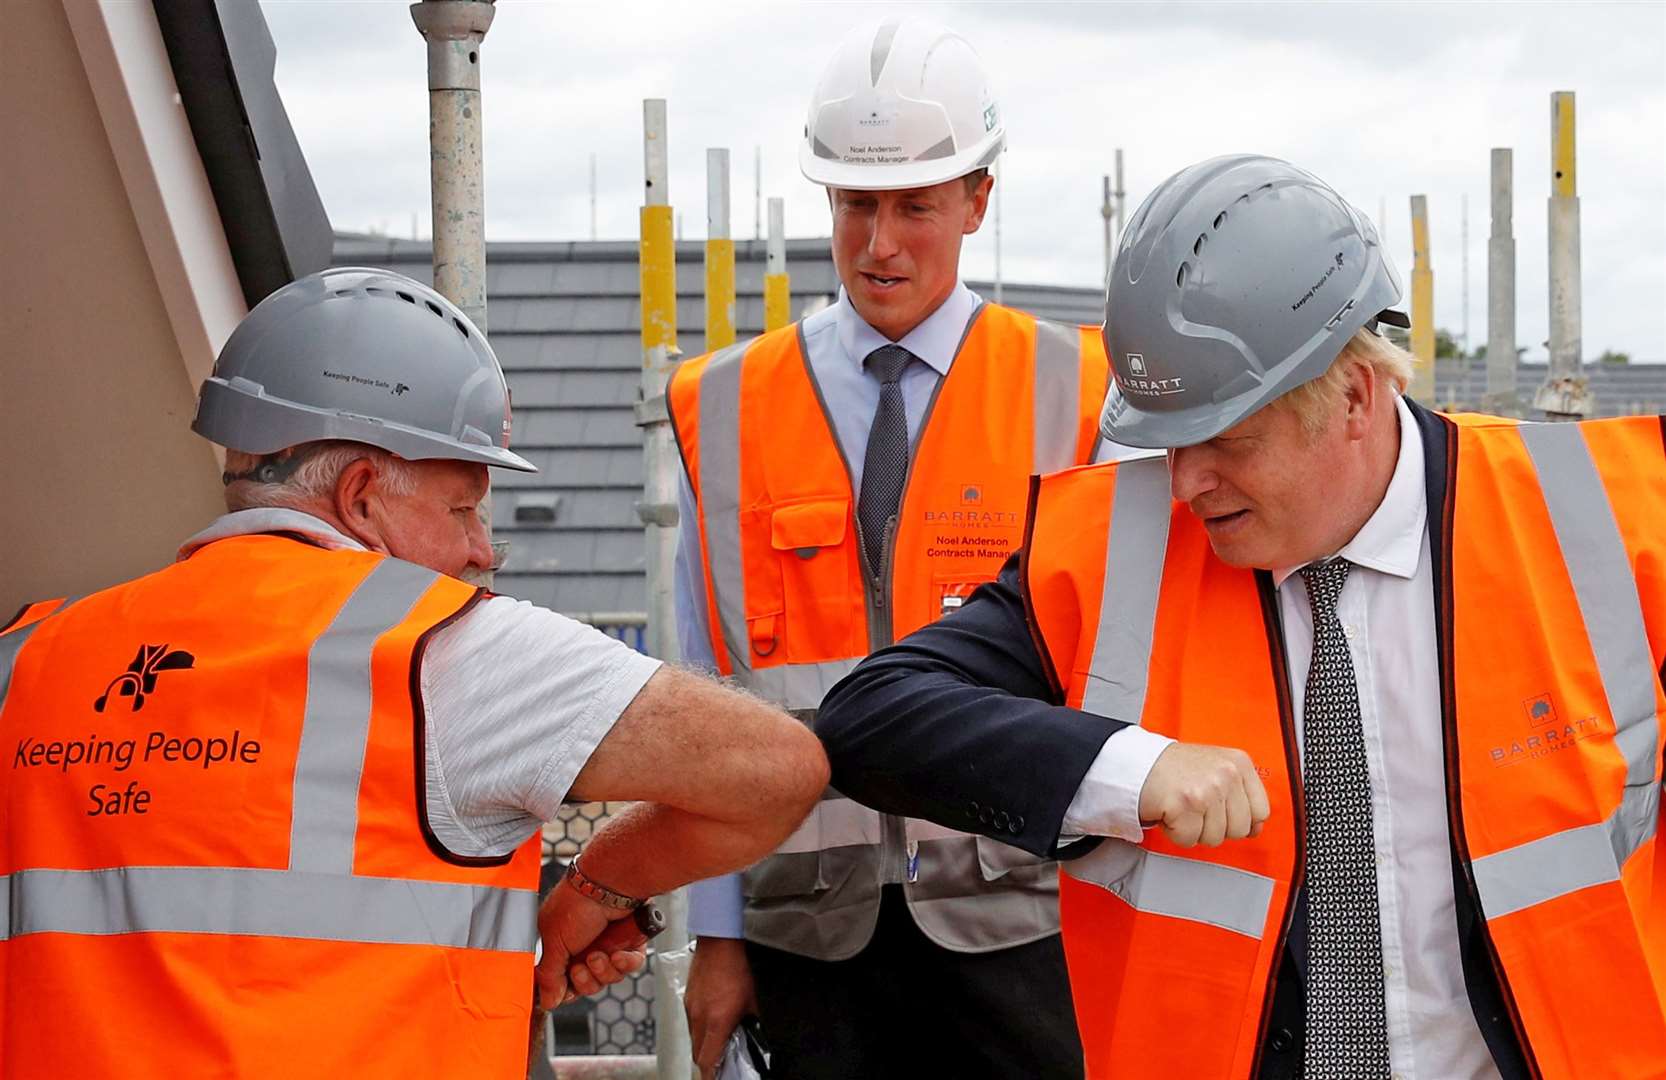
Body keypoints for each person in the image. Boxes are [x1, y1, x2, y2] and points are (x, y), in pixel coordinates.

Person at [816, 154, 1666, 1080]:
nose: (1184, 484)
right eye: (1167, 442)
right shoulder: (1114, 548)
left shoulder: (1610, 520)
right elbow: (874, 715)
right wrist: (1127, 768)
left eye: (1225, 440)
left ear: (1355, 395)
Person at [0, 267, 828, 1078]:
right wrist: (600, 889)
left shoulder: (27, 661)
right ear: (361, 496)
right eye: (463, 507)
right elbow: (776, 769)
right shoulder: (442, 651)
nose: (480, 550)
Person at [671, 15, 1118, 1079]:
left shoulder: (1076, 395)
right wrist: (717, 935)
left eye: (915, 206)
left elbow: (1117, 680)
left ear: (976, 200)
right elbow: (706, 700)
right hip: (806, 937)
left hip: (1027, 928)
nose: (880, 245)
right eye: (855, 205)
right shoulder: (720, 408)